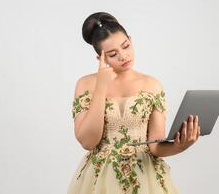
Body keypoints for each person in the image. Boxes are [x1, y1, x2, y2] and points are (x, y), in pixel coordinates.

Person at [68, 12, 201, 194]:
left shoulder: (152, 85)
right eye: (113, 54)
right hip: (100, 179)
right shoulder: (85, 84)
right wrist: (101, 85)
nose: (124, 56)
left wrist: (181, 145)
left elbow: (154, 146)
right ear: (100, 58)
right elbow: (88, 142)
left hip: (144, 177)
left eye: (126, 46)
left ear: (130, 39)